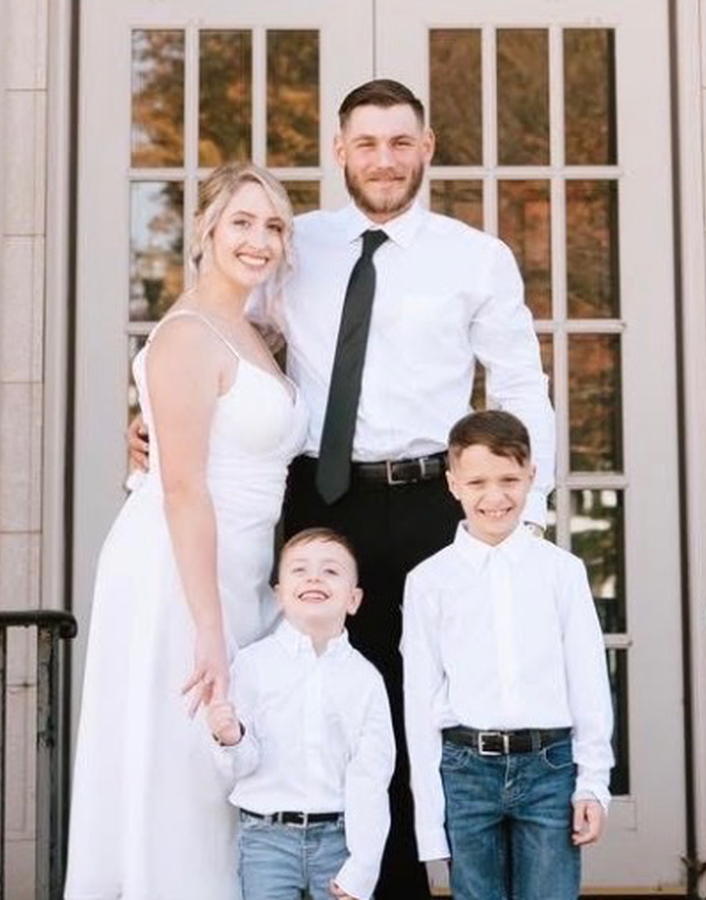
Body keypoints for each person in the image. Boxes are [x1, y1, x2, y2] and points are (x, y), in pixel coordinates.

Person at [130, 80, 555, 896]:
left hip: (432, 504)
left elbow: (519, 388)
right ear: (339, 151)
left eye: (400, 143)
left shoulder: (476, 257)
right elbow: (218, 330)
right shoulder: (297, 247)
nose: (383, 160)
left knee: (418, 705)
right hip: (321, 503)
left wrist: (522, 518)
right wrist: (152, 414)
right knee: (311, 705)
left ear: (426, 149)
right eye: (366, 143)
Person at [64, 162, 307, 900]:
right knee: (181, 763)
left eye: (273, 226)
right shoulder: (187, 335)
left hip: (241, 562)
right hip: (178, 569)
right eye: (242, 222)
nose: (259, 240)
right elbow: (182, 487)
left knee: (222, 765)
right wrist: (208, 625)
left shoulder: (255, 331)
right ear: (205, 230)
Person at [400, 410, 614, 900]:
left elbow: (587, 681)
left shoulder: (562, 572)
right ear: (453, 483)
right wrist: (429, 821)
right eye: (477, 482)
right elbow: (420, 701)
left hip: (550, 769)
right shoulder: (429, 581)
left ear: (532, 477)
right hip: (465, 771)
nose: (494, 496)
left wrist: (593, 783)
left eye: (509, 480)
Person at [206, 527, 394, 900]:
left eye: (331, 571)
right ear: (279, 596)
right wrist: (231, 738)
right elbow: (240, 766)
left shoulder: (365, 680)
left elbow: (372, 776)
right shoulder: (253, 665)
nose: (314, 578)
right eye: (300, 569)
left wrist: (363, 865)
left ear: (353, 599)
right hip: (266, 840)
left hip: (339, 839)